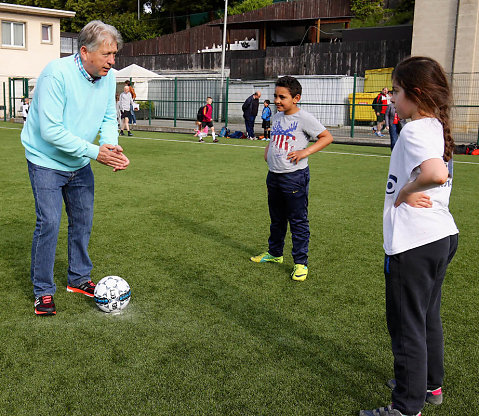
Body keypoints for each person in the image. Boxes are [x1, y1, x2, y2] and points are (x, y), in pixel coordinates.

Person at [359, 56, 459, 416]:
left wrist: (405, 192)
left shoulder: (416, 129)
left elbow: (432, 174)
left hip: (415, 241)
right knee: (427, 317)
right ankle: (429, 386)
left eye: (397, 92)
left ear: (415, 94)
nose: (393, 99)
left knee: (406, 327)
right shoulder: (435, 125)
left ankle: (405, 407)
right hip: (441, 235)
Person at [21, 20, 130, 316]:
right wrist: (96, 152)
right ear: (84, 52)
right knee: (50, 222)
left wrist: (110, 146)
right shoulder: (56, 74)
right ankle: (43, 290)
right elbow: (51, 132)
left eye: (114, 54)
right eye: (107, 54)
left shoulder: (108, 77)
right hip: (46, 160)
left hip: (79, 161)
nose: (112, 61)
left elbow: (109, 116)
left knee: (82, 221)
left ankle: (79, 278)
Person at [250, 76, 333, 281]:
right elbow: (274, 137)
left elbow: (326, 137)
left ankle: (300, 263)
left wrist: (304, 152)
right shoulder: (278, 116)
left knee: (297, 220)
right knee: (277, 218)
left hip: (294, 177)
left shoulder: (304, 118)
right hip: (274, 175)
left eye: (282, 97)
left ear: (296, 98)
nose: (277, 100)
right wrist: (268, 150)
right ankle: (275, 253)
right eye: (276, 96)